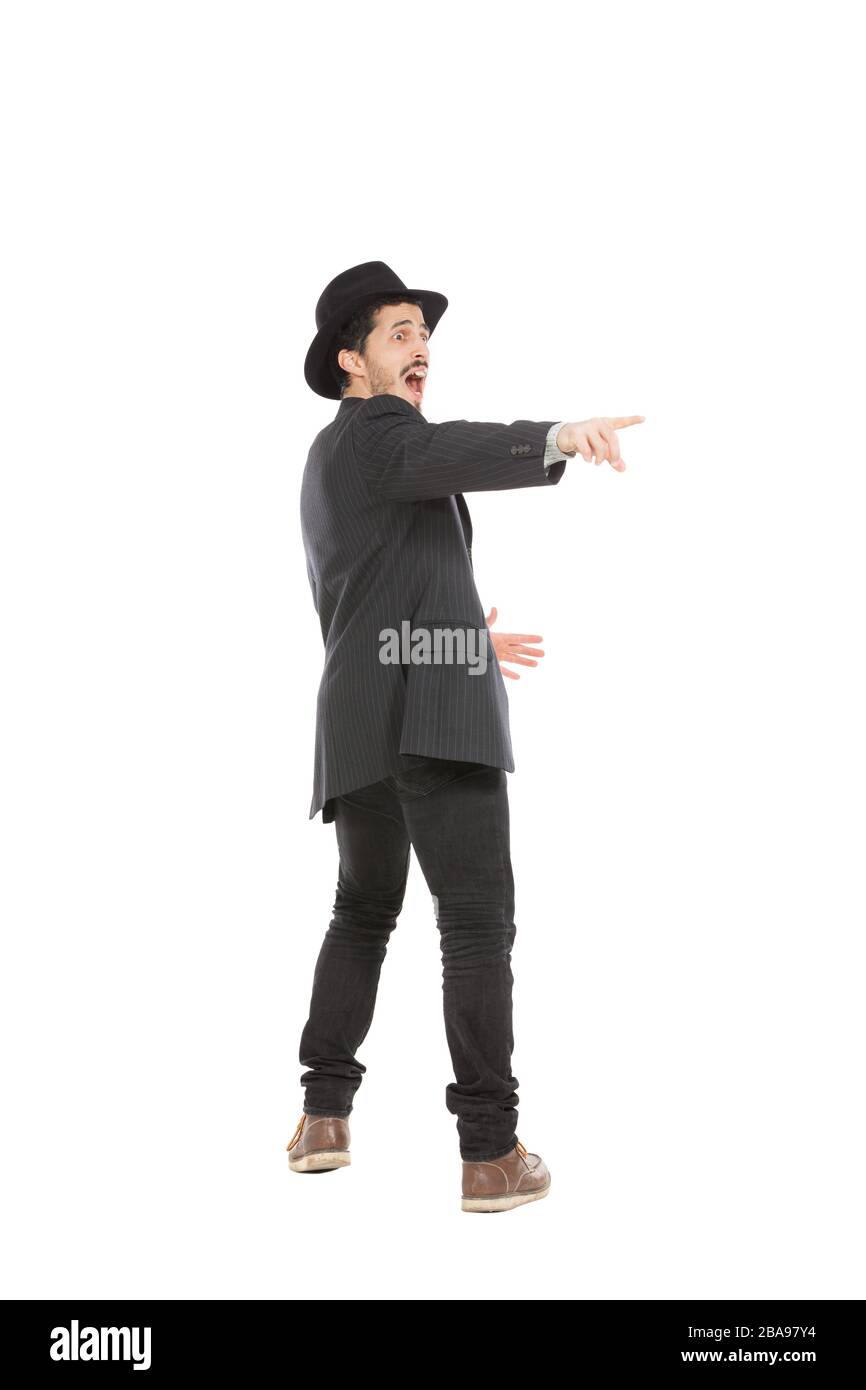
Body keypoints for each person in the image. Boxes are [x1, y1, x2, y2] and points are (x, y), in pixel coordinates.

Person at [287, 260, 644, 1212]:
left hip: (359, 720)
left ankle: (324, 1113)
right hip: (436, 720)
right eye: (399, 333)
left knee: (362, 912)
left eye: (424, 334)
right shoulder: (381, 430)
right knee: (476, 928)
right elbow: (440, 451)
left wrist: (460, 633)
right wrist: (556, 437)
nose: (422, 347)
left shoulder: (328, 460)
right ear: (350, 363)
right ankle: (490, 1152)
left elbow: (361, 592)